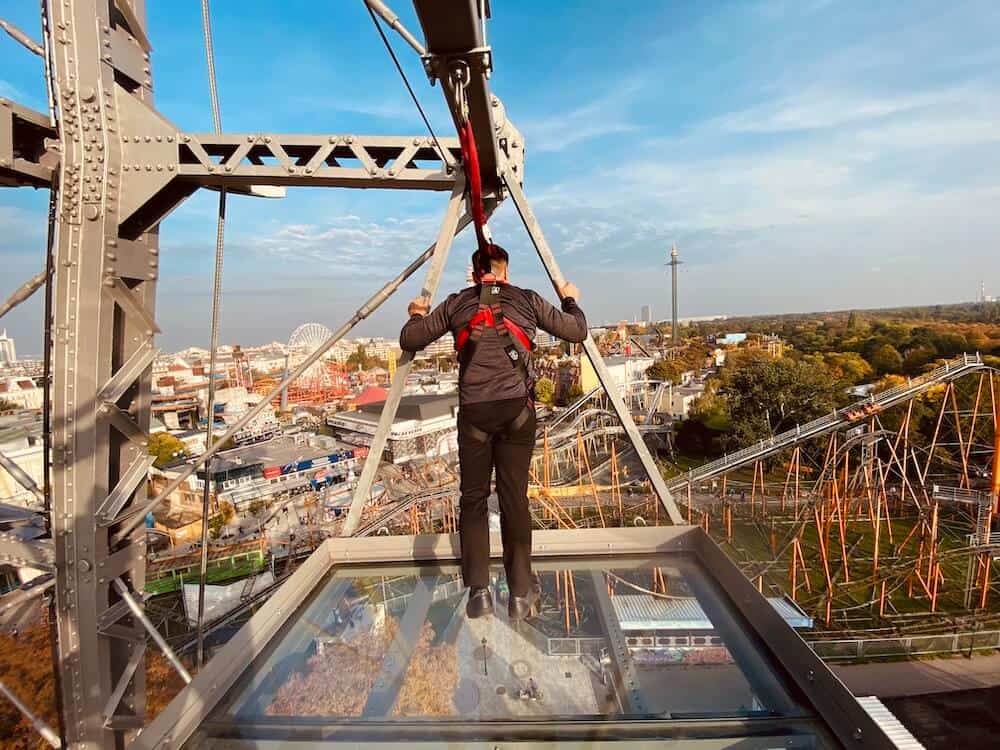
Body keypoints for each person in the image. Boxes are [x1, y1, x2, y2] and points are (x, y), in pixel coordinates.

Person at [400, 245, 588, 619]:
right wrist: (569, 300)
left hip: (474, 414)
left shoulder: (457, 304)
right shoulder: (528, 299)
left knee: (472, 499)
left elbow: (411, 339)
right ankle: (519, 593)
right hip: (517, 410)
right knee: (514, 498)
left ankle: (478, 592)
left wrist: (415, 314)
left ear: (474, 274)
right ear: (506, 270)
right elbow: (576, 330)